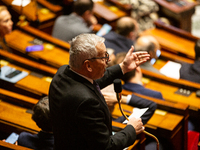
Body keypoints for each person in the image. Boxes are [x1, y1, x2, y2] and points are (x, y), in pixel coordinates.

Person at [49, 33, 150, 149]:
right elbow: (106, 146)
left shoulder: (63, 73)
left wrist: (122, 67)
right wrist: (131, 129)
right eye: (103, 57)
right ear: (88, 66)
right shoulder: (86, 102)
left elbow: (92, 83)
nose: (109, 59)